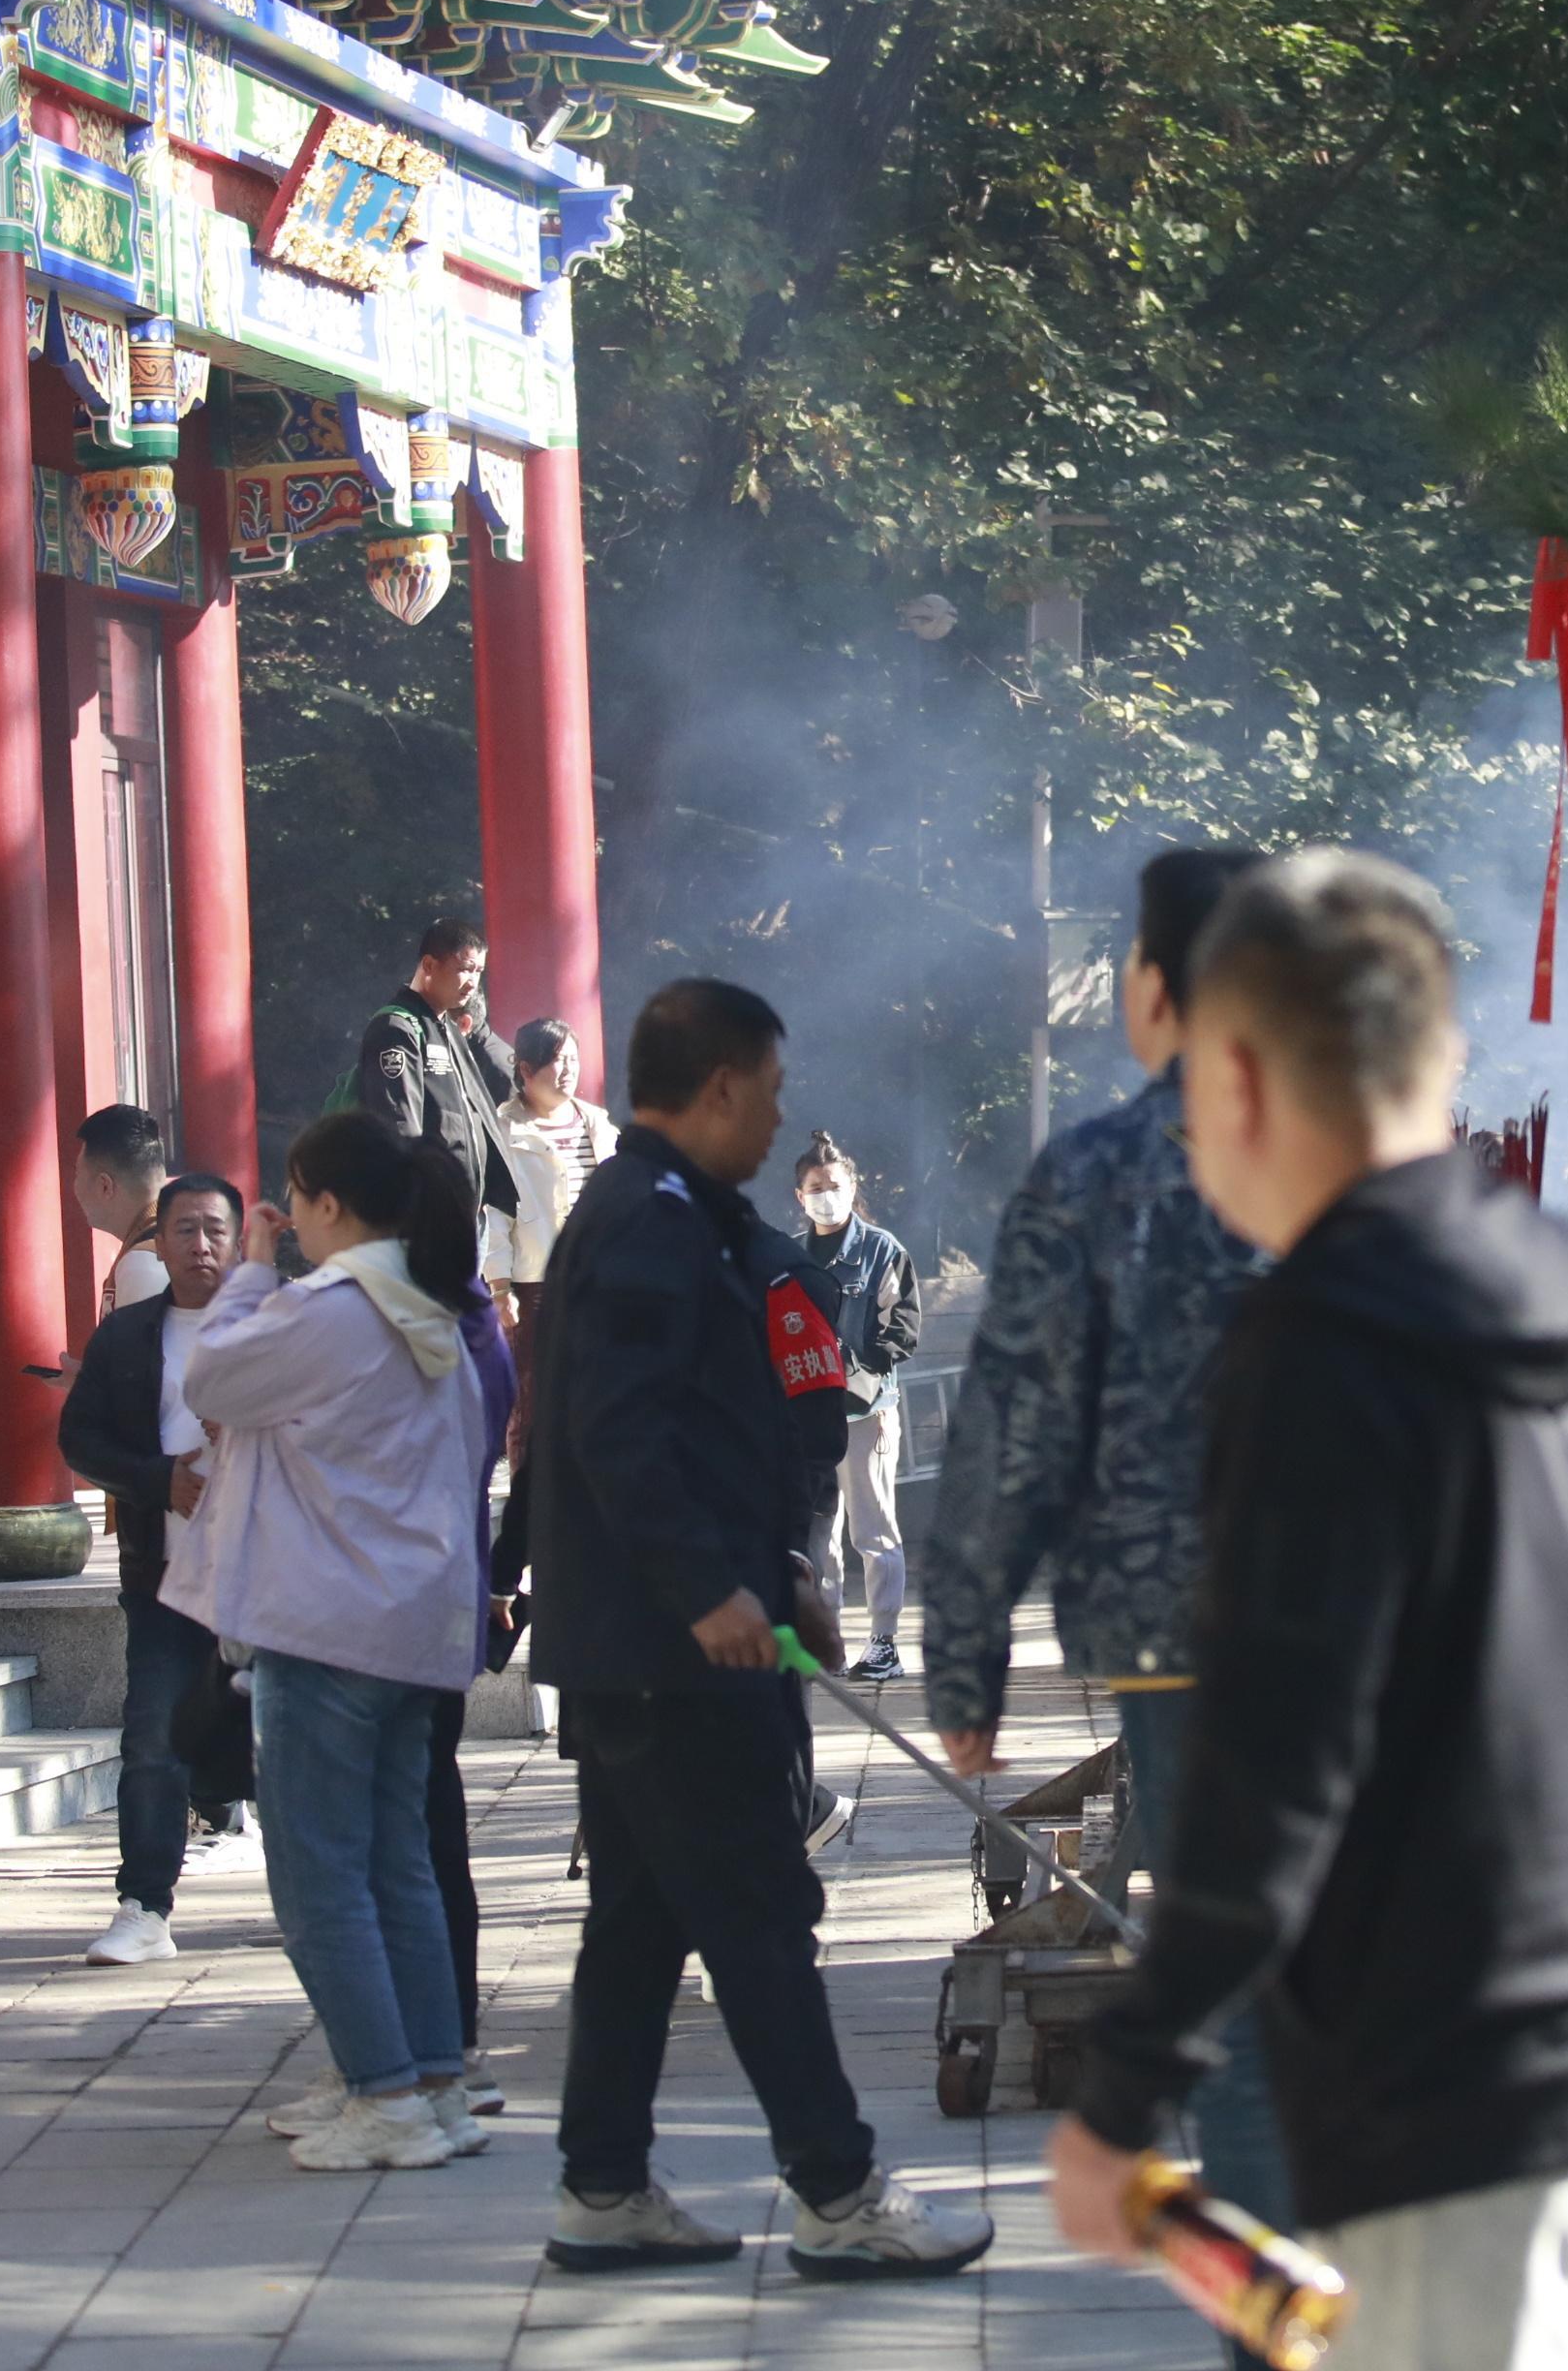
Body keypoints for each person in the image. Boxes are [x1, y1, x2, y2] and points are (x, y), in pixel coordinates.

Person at [1052, 851, 1568, 2371]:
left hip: (1469, 2093)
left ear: (1232, 1073)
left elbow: (1279, 1761)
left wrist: (1125, 2096)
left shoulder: (1316, 1345)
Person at [523, 977, 991, 2280]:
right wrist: (702, 1588)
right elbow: (619, 1434)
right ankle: (840, 2193)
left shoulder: (682, 1219)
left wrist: (781, 1566)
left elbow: (708, 1432)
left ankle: (603, 2186)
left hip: (663, 1641)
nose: (783, 1123)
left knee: (638, 1925)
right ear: (721, 1086)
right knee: (759, 1915)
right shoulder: (646, 1226)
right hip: (672, 1655)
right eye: (772, 1093)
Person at [920, 840, 1284, 2302]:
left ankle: (1279, 2322)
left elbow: (1009, 1421)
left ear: (1148, 993)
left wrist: (965, 1658)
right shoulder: (1381, 1158)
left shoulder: (1096, 1174)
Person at [182, 1111, 498, 2173]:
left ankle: (385, 2097)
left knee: (320, 1877)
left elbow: (214, 1379)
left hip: (325, 1623)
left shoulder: (338, 1307)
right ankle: (433, 2080)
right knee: (398, 1861)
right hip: (413, 1623)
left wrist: (251, 1273)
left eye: (295, 1198)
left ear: (324, 1204)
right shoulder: (434, 1310)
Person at [59, 1174, 253, 1967]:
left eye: (214, 1230)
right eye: (184, 1231)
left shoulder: (277, 1325)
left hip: (271, 1584)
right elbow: (82, 1439)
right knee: (152, 1740)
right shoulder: (129, 1336)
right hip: (166, 1576)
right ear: (159, 1241)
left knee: (297, 1746)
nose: (199, 1246)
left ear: (239, 1239)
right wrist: (154, 1476)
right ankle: (144, 1906)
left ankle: (333, 1895)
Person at [790, 1133, 923, 1680]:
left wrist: (863, 1359)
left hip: (865, 1412)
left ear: (852, 1188)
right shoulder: (790, 1256)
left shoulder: (883, 1250)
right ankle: (828, 1648)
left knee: (872, 1531)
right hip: (806, 1417)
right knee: (817, 1540)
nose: (827, 1196)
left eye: (835, 1186)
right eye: (815, 1188)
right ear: (799, 1196)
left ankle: (884, 1643)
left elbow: (905, 1325)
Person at [356, 909, 522, 1259]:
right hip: (428, 1218)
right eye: (464, 968)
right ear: (429, 965)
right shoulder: (398, 1028)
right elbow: (399, 1127)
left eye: (478, 971)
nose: (472, 982)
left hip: (463, 1213)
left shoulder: (447, 1026)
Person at [492, 1014, 618, 1354]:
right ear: (527, 1069)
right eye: (558, 1061)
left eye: (573, 1060)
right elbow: (493, 1214)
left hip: (597, 1275)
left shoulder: (597, 1124)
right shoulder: (503, 1128)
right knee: (538, 1393)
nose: (569, 1070)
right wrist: (500, 1287)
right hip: (535, 1285)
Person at [75, 1104, 173, 1313]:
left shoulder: (143, 1265)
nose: (75, 1187)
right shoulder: (171, 1243)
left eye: (77, 1174)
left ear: (105, 1186)